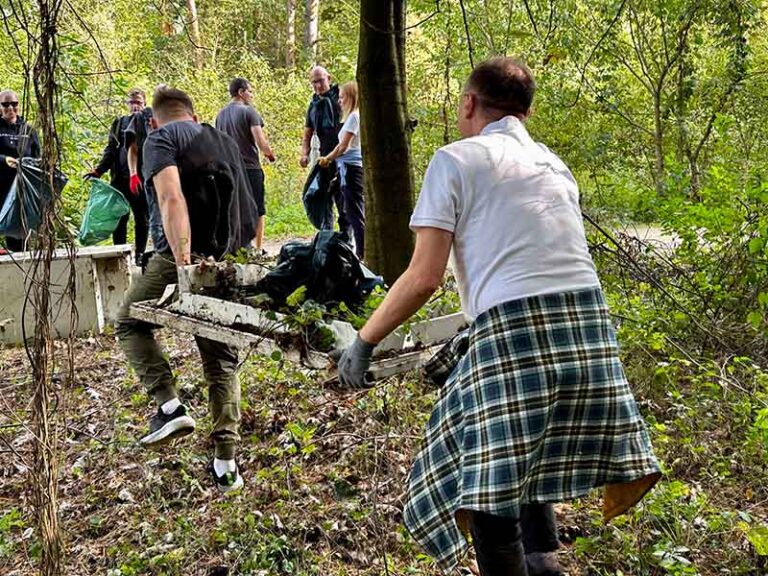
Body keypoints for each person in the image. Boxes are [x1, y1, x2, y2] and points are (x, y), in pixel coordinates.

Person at [335, 57, 661, 575]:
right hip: (590, 331)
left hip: (517, 335)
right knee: (523, 449)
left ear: (468, 103)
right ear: (526, 111)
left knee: (487, 483)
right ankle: (545, 563)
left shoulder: (455, 160)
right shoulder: (555, 164)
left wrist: (364, 340)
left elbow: (424, 278)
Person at [115, 85, 258, 493]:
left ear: (155, 119)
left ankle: (169, 403)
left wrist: (183, 262)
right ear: (194, 116)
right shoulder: (225, 140)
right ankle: (226, 464)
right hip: (231, 259)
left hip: (184, 257)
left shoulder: (159, 138)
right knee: (219, 357)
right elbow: (249, 207)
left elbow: (171, 198)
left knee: (129, 322)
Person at [85, 88, 149, 264]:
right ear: (127, 104)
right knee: (119, 216)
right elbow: (111, 149)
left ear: (144, 103)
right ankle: (119, 253)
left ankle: (140, 255)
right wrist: (99, 170)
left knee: (142, 218)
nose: (135, 106)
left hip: (140, 178)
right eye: (132, 102)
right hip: (119, 178)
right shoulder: (119, 123)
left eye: (139, 102)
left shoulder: (147, 122)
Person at [215, 77, 275, 252]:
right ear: (241, 92)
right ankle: (257, 248)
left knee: (235, 208)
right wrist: (270, 154)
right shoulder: (249, 112)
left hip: (228, 168)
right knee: (258, 208)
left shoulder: (220, 115)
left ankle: (237, 247)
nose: (252, 95)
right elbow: (259, 139)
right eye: (249, 91)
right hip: (249, 168)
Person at [300, 66, 349, 236]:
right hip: (324, 159)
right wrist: (304, 153)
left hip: (345, 156)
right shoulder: (313, 106)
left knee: (343, 198)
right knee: (321, 196)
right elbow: (307, 134)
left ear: (329, 78)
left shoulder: (341, 99)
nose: (318, 86)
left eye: (320, 80)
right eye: (314, 82)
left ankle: (346, 238)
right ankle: (327, 236)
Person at [319, 81, 364, 259]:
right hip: (347, 168)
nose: (339, 101)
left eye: (342, 97)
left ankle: (362, 253)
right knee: (352, 210)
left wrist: (327, 158)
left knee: (355, 212)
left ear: (351, 98)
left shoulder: (354, 117)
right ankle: (361, 250)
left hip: (351, 169)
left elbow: (343, 146)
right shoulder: (353, 117)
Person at [0, 89, 41, 252]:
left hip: (22, 189)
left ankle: (22, 264)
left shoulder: (28, 130)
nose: (10, 108)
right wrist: (4, 160)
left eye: (14, 104)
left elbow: (38, 157)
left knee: (19, 232)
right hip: (2, 185)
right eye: (5, 104)